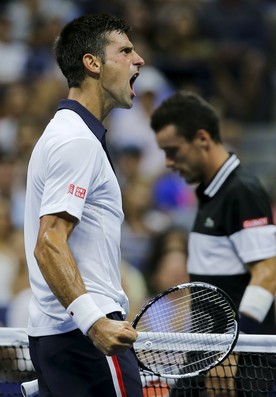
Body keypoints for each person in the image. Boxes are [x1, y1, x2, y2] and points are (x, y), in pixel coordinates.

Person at [23, 13, 145, 397]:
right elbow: (49, 242)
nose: (138, 59)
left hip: (58, 337)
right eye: (125, 50)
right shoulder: (75, 140)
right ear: (92, 63)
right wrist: (95, 323)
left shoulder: (67, 135)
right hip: (85, 340)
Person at [150, 91, 276, 396]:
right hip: (209, 351)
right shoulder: (211, 192)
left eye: (173, 151)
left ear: (202, 139)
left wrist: (231, 350)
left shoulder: (241, 192)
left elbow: (268, 274)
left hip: (240, 362)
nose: (168, 162)